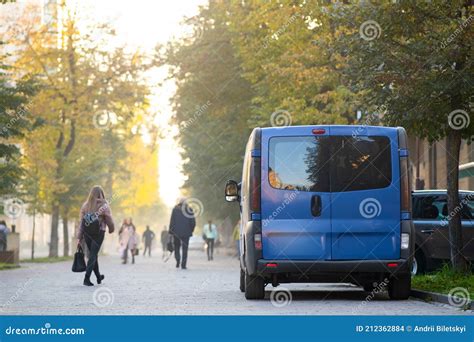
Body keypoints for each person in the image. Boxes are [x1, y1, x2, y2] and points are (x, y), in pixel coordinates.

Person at [77, 185, 115, 286]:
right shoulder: (104, 205)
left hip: (87, 234)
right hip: (99, 233)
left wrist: (79, 237)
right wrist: (111, 229)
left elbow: (81, 222)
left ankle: (98, 276)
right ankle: (86, 278)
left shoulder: (85, 205)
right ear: (101, 194)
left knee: (93, 255)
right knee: (93, 255)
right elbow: (109, 219)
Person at [169, 198, 196, 269]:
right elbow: (193, 222)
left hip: (176, 232)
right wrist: (191, 230)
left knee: (177, 247)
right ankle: (183, 265)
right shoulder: (189, 210)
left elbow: (172, 221)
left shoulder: (175, 210)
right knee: (185, 249)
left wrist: (171, 231)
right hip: (186, 232)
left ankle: (178, 260)